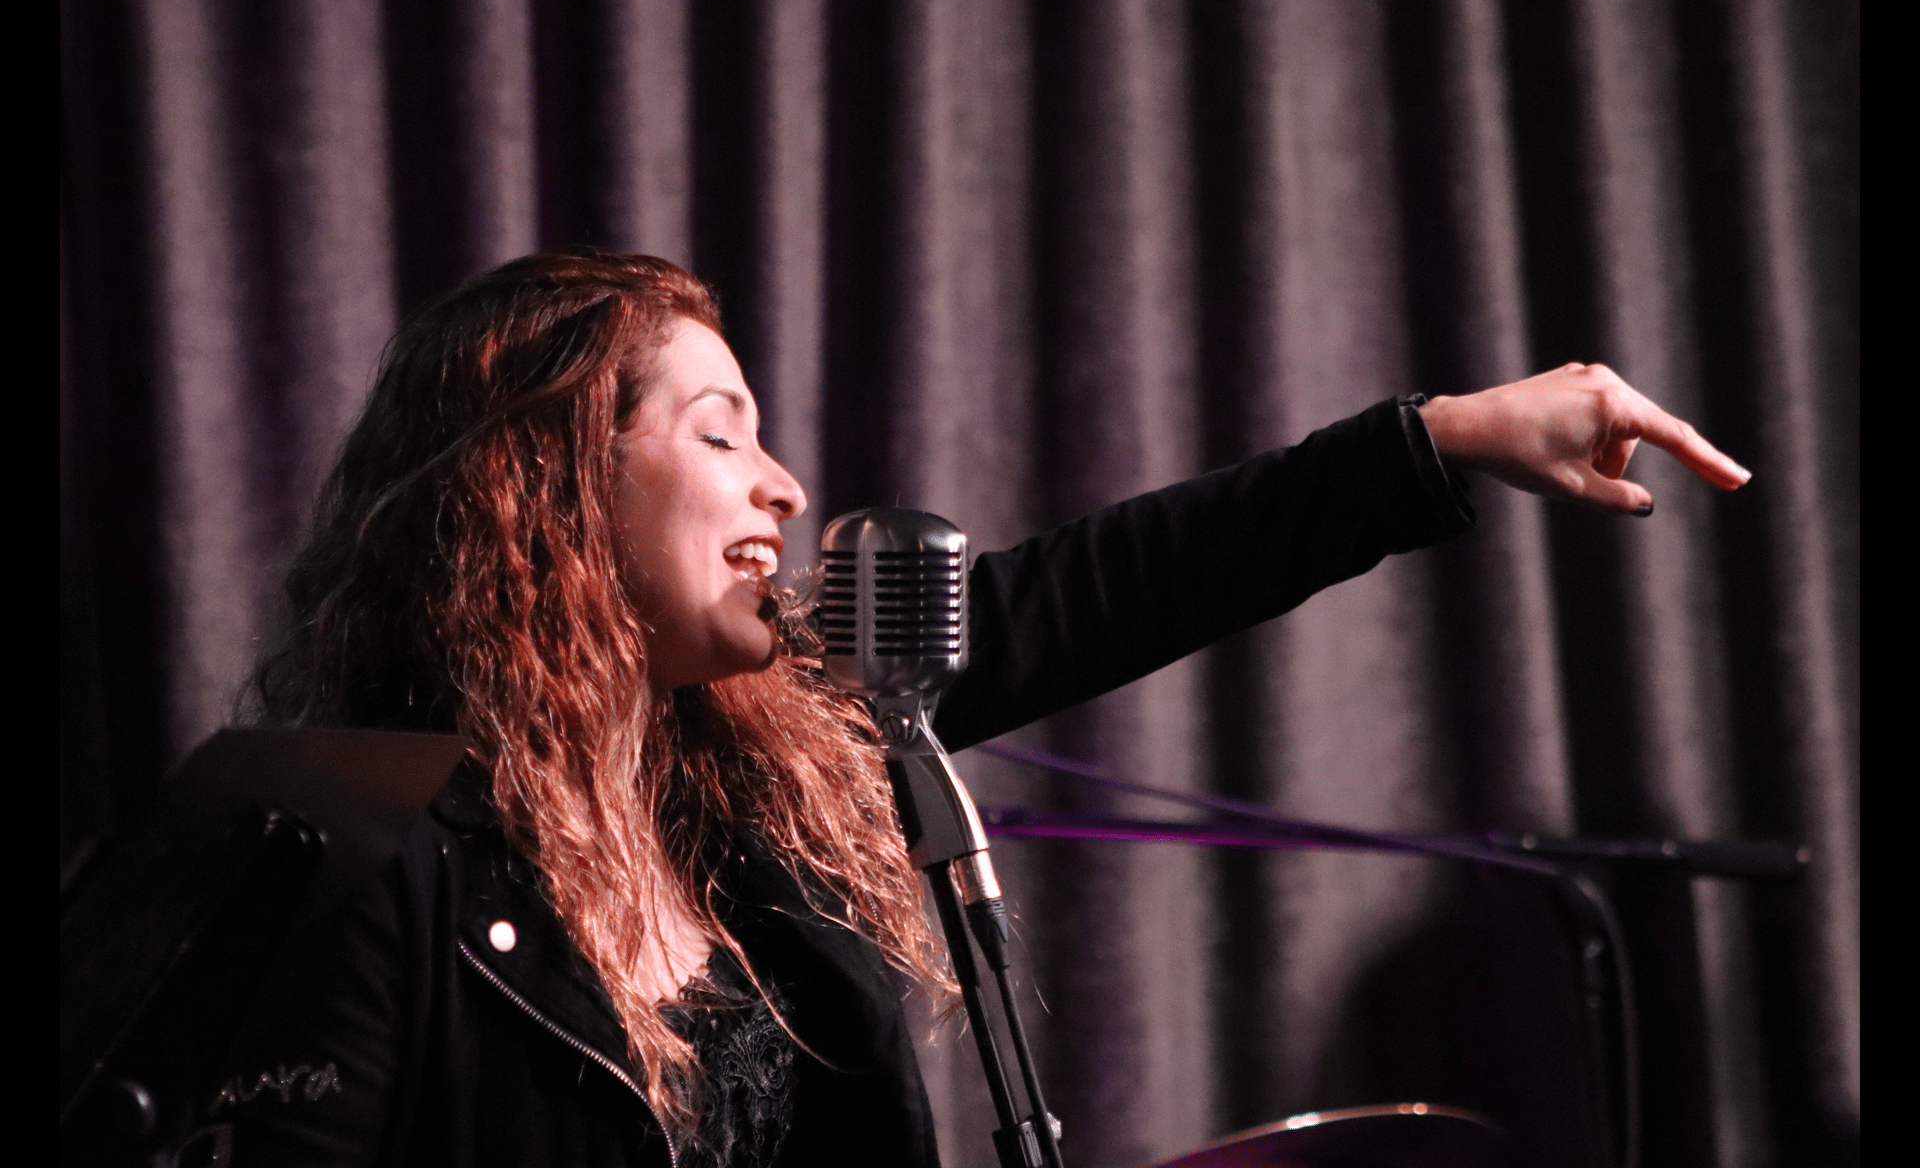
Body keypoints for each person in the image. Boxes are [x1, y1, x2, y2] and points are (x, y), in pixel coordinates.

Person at [211, 250, 1747, 1167]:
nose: (784, 484)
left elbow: (1105, 585)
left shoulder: (779, 768)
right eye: (721, 433)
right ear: (549, 491)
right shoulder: (373, 865)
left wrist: (1447, 438)